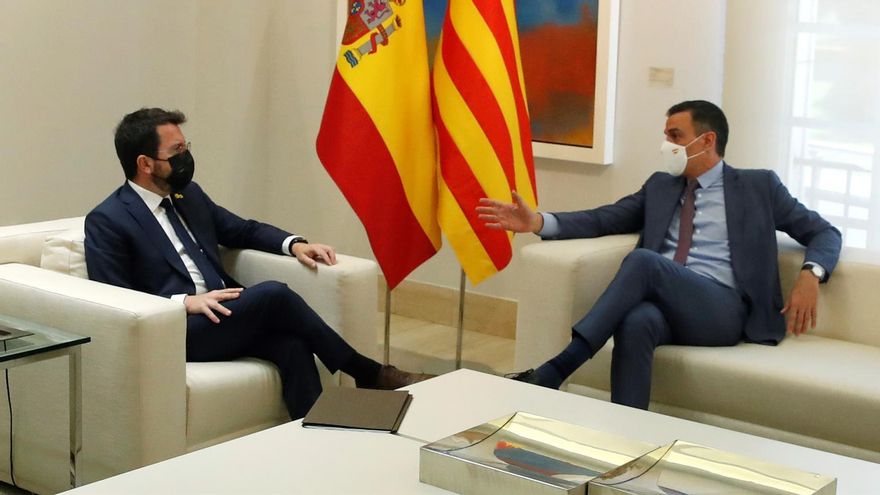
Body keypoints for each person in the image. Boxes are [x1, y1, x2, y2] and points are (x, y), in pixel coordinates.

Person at [477, 100, 841, 409]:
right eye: (666, 136)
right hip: (668, 303)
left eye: (675, 136)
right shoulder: (661, 186)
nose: (666, 145)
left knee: (645, 262)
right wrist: (538, 221)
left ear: (707, 140)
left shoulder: (758, 186)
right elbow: (606, 217)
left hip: (723, 309)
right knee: (637, 322)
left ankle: (557, 369)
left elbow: (824, 231)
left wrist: (811, 273)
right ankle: (624, 444)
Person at [85, 107, 432, 420]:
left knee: (292, 347)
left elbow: (241, 229)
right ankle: (369, 373)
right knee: (273, 295)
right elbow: (114, 297)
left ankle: (314, 440)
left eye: (186, 146)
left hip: (225, 315)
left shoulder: (186, 195)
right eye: (176, 151)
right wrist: (185, 303)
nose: (186, 156)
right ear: (145, 164)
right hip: (175, 329)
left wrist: (294, 244)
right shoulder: (109, 219)